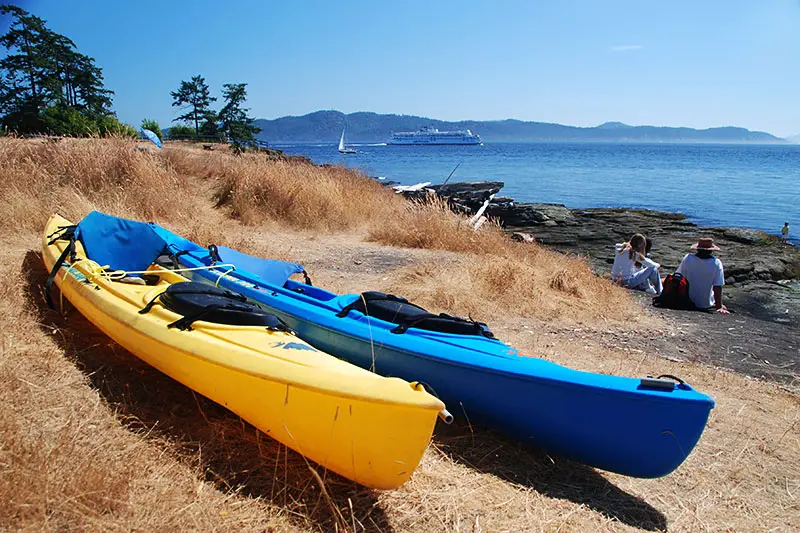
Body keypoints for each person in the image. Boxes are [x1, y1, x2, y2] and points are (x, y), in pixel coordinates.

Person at [675, 237, 729, 314]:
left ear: (698, 249)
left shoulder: (688, 258)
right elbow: (717, 286)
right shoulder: (716, 263)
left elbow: (678, 277)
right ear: (711, 250)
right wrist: (719, 306)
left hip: (686, 300)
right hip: (705, 304)